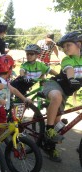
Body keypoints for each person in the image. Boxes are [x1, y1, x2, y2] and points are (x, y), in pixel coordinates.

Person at [42, 31, 82, 162]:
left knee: (57, 124)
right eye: (63, 46)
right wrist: (73, 80)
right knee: (57, 97)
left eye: (68, 45)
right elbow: (70, 75)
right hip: (54, 85)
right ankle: (48, 130)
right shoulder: (67, 59)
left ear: (79, 45)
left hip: (66, 93)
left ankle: (49, 146)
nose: (65, 49)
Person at [0, 54, 32, 125]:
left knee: (2, 125)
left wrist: (24, 99)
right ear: (9, 69)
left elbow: (13, 90)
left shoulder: (5, 80)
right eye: (12, 68)